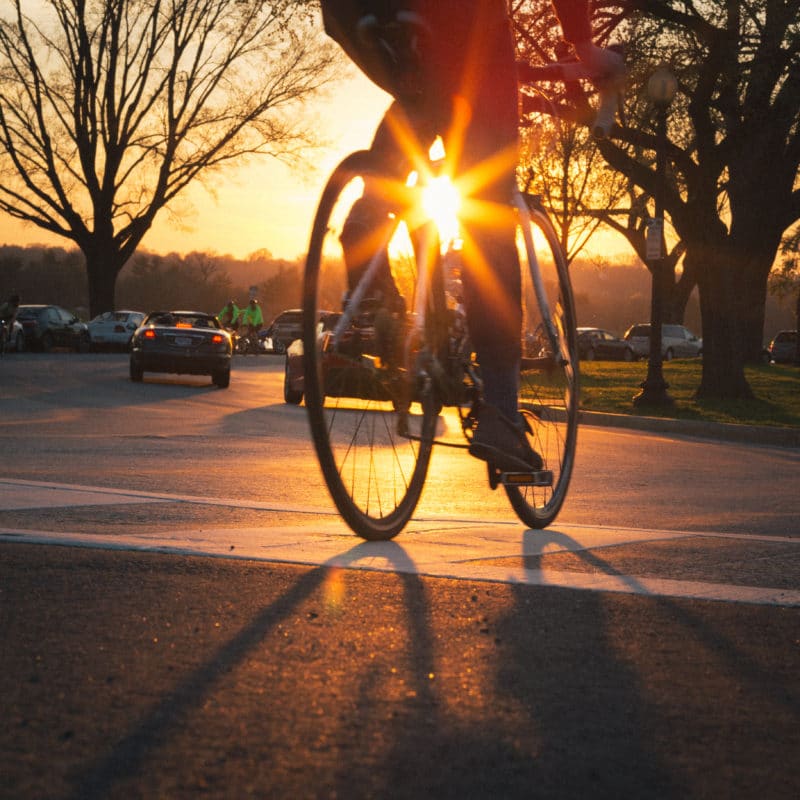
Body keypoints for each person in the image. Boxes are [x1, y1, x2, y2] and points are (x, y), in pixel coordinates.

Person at [320, 0, 621, 472]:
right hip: (463, 25)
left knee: (413, 110)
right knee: (489, 218)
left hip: (366, 16)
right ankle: (501, 414)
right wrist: (585, 46)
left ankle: (370, 264)